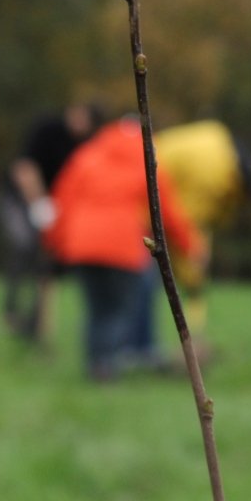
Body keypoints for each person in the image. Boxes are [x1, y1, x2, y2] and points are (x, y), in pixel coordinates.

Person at [43, 117, 204, 382]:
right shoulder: (145, 162)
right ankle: (106, 369)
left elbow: (63, 198)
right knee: (118, 311)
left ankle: (95, 366)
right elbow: (166, 211)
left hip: (82, 245)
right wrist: (191, 245)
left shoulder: (88, 155)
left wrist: (53, 242)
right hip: (121, 247)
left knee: (96, 310)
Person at [153, 119, 251, 331]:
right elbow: (184, 223)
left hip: (139, 190)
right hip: (137, 207)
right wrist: (194, 274)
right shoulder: (215, 178)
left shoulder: (218, 139)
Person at [0, 103, 100, 341]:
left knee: (48, 263)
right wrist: (39, 204)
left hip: (57, 207)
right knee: (24, 244)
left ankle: (36, 324)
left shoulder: (86, 145)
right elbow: (24, 170)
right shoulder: (47, 129)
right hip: (21, 198)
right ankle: (11, 311)